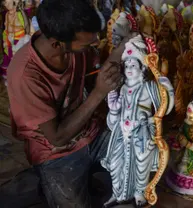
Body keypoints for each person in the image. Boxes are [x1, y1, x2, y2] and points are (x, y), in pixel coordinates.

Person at [6, 0, 135, 207]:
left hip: (90, 131)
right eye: (86, 44)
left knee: (136, 152)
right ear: (57, 43)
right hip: (55, 151)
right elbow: (57, 138)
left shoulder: (74, 48)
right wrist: (99, 93)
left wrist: (123, 48)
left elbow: (96, 75)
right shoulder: (25, 75)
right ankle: (45, 182)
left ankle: (89, 181)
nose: (92, 47)